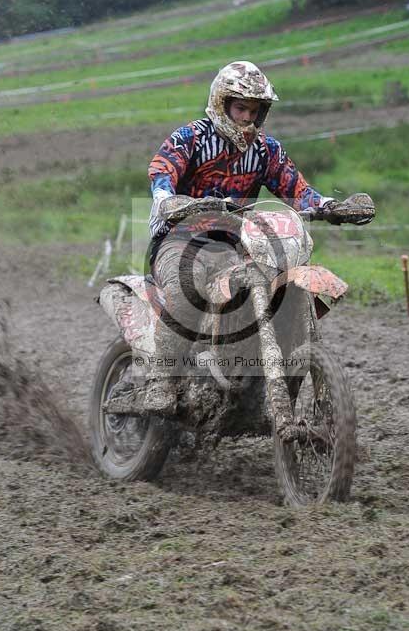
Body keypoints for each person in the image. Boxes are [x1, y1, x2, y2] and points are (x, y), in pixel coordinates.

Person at [145, 61, 363, 415]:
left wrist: (333, 207)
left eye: (254, 111)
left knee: (280, 287)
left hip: (238, 244)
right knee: (188, 289)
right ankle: (161, 379)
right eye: (240, 108)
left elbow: (297, 189)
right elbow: (162, 167)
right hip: (182, 242)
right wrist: (166, 198)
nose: (247, 118)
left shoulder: (265, 150)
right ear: (222, 104)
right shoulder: (192, 137)